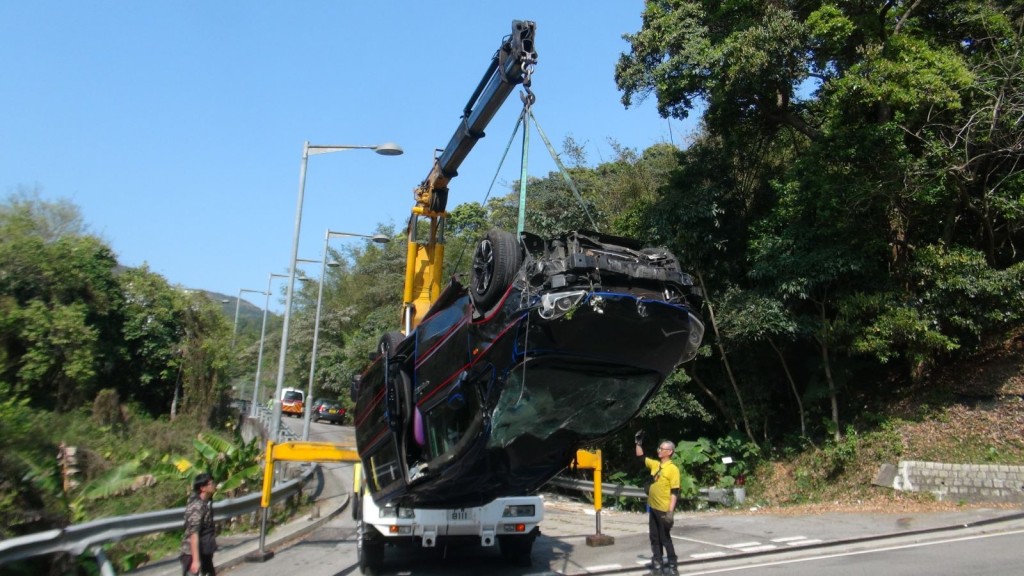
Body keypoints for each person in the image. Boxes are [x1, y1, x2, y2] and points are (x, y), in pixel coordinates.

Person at [636, 432, 680, 575]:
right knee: (654, 538)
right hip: (653, 507)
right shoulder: (656, 465)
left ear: (669, 452)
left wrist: (670, 512)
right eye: (659, 448)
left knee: (665, 538)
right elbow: (641, 457)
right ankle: (657, 567)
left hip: (663, 509)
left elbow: (674, 492)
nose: (659, 450)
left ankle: (673, 567)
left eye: (662, 449)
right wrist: (638, 443)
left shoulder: (673, 469)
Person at [180, 472, 217, 575]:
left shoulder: (206, 503)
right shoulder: (196, 506)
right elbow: (193, 534)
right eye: (211, 483)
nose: (214, 485)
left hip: (204, 550)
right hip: (192, 553)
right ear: (202, 488)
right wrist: (196, 561)